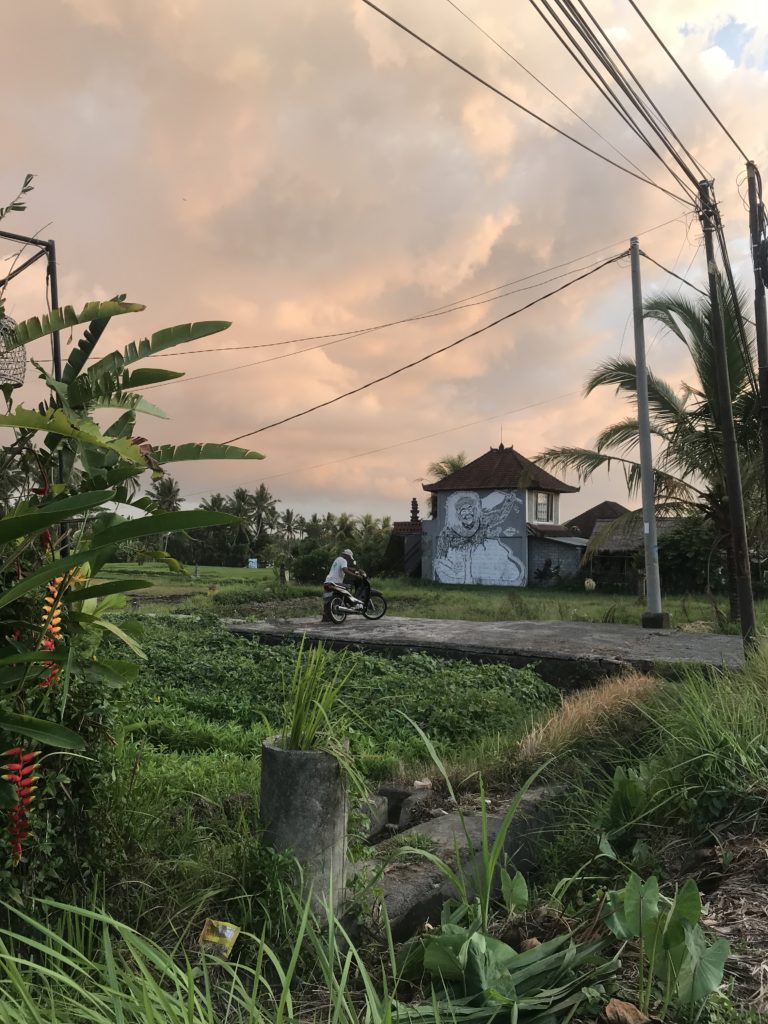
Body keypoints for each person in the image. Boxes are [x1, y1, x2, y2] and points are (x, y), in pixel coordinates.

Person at [321, 548, 367, 621]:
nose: (349, 559)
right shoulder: (344, 560)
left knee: (328, 598)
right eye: (349, 557)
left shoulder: (338, 559)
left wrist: (354, 570)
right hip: (336, 582)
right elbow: (345, 570)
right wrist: (356, 576)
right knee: (348, 587)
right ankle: (346, 606)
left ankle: (325, 617)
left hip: (328, 581)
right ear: (347, 556)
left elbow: (346, 568)